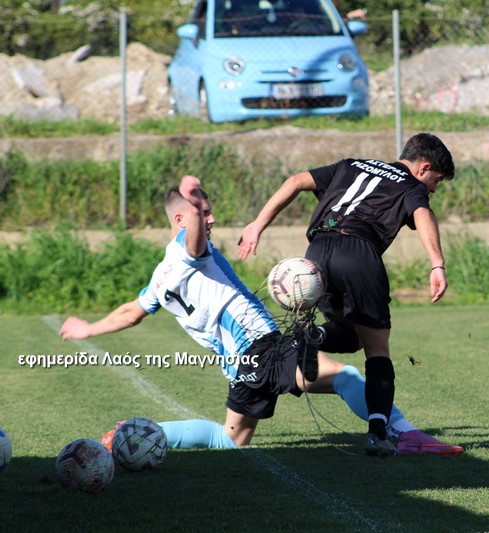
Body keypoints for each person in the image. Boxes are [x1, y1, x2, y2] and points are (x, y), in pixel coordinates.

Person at [59, 175, 463, 457]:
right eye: (204, 212)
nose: (211, 218)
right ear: (181, 219)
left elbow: (131, 313)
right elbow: (195, 239)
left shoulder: (162, 274)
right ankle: (403, 433)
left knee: (228, 441)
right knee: (346, 377)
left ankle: (135, 433)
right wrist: (195, 206)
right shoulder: (188, 248)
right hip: (262, 349)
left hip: (241, 366)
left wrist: (88, 328)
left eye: (208, 211)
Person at [237, 132, 455, 456]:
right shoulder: (412, 186)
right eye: (435, 180)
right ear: (423, 167)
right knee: (377, 348)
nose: (433, 189)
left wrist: (257, 224)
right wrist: (437, 264)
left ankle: (310, 337)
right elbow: (423, 214)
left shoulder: (351, 165)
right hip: (359, 254)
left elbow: (296, 181)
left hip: (318, 251)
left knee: (351, 336)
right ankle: (377, 435)